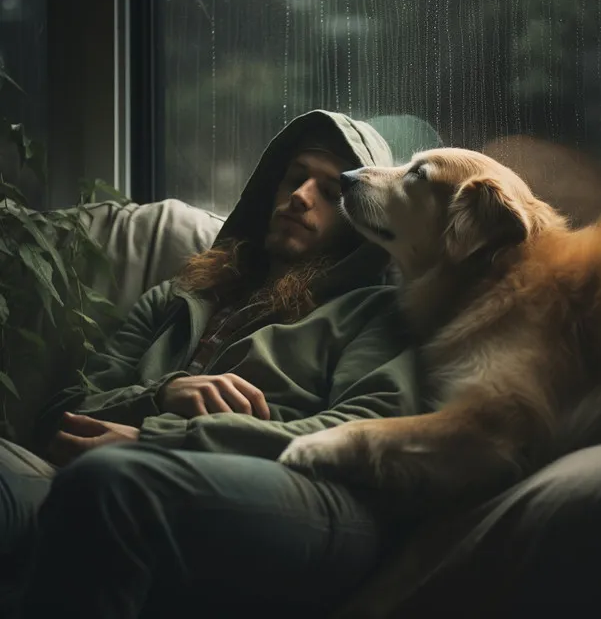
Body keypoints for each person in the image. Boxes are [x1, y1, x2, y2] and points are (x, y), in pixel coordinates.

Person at [0, 110, 424, 618]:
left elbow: (365, 434)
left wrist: (155, 439)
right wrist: (164, 392)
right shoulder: (178, 296)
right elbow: (64, 414)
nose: (300, 196)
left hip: (279, 500)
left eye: (331, 192)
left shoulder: (373, 313)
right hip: (98, 475)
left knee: (108, 484)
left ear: (358, 221)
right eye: (295, 178)